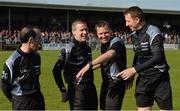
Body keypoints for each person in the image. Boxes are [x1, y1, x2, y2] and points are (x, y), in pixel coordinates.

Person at [116, 6, 173, 110]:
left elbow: (158, 57)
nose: (126, 24)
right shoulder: (133, 35)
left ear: (137, 19)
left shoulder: (153, 31)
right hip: (143, 80)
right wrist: (133, 73)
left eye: (128, 21)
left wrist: (133, 70)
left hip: (159, 79)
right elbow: (138, 55)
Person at [76, 20, 130, 110]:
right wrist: (84, 70)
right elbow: (104, 62)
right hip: (106, 83)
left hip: (115, 84)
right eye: (100, 34)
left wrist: (89, 65)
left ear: (110, 31)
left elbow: (110, 54)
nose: (103, 36)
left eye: (106, 33)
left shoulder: (116, 42)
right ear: (96, 34)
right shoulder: (104, 44)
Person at [52, 19, 98, 110]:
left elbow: (87, 67)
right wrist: (63, 90)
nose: (85, 32)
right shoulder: (67, 49)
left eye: (86, 29)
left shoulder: (88, 48)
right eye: (81, 30)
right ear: (74, 32)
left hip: (91, 88)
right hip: (76, 91)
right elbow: (55, 70)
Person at [1, 26, 45, 110]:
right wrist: (16, 99)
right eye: (38, 38)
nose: (40, 42)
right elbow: (4, 85)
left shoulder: (37, 57)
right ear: (30, 40)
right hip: (22, 103)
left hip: (38, 100)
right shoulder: (13, 60)